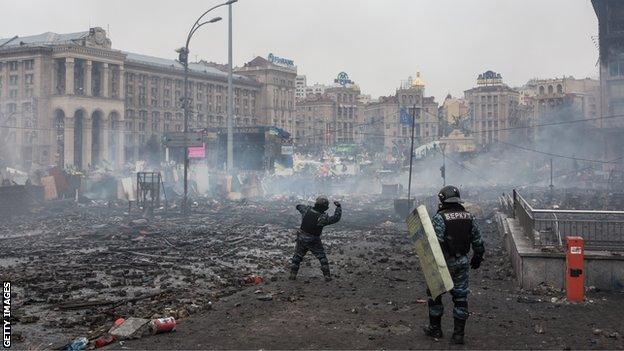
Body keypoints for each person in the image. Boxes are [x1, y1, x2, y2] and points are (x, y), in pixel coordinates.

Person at [423, 185, 485, 344]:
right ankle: (458, 335)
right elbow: (477, 239)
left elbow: (436, 242)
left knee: (435, 294)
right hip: (462, 262)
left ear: (443, 199)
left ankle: (435, 328)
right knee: (460, 297)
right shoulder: (469, 216)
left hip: (442, 262)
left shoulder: (440, 218)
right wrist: (478, 255)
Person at [290, 196, 342, 282]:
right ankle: (327, 276)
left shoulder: (307, 210)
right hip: (313, 239)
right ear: (325, 208)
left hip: (301, 237)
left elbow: (299, 206)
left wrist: (300, 205)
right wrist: (338, 207)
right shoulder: (322, 218)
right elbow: (336, 218)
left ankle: (292, 274)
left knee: (297, 256)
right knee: (322, 256)